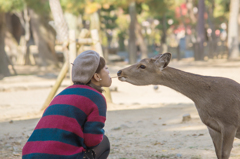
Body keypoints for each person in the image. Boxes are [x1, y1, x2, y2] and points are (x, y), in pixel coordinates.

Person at [22, 50, 112, 159]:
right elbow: (92, 140)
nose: (109, 72)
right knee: (104, 143)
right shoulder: (96, 98)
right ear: (97, 77)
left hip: (30, 155)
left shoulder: (62, 94)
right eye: (106, 69)